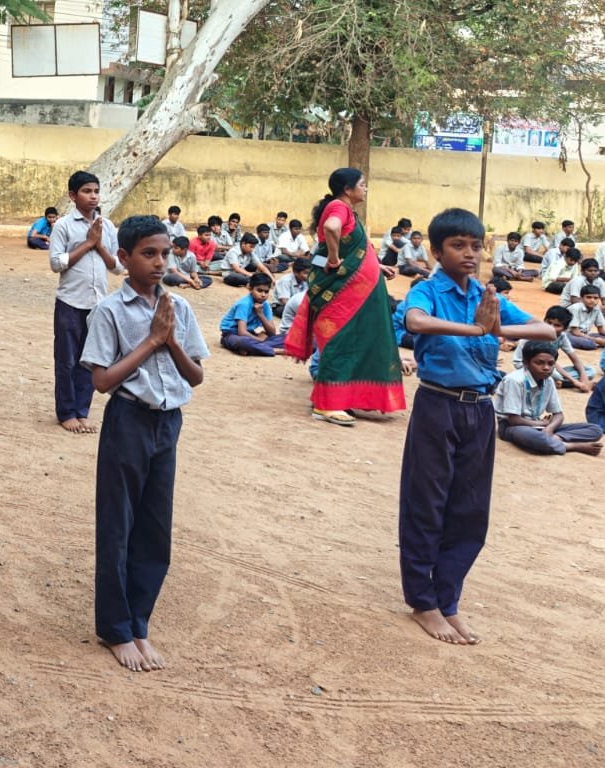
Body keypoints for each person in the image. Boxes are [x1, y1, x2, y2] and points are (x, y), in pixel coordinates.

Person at [399, 206, 550, 644]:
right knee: (426, 504)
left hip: (480, 410)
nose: (470, 254)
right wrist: (476, 331)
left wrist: (499, 326)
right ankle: (423, 602)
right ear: (436, 251)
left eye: (476, 246)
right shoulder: (429, 291)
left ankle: (448, 600)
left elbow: (544, 329)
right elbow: (415, 322)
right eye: (458, 245)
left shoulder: (487, 297)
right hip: (438, 405)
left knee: (469, 511)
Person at [82, 214, 209, 672]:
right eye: (148, 254)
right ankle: (116, 629)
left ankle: (139, 622)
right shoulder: (109, 312)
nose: (159, 263)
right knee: (118, 526)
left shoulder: (180, 309)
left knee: (156, 530)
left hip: (167, 423)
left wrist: (170, 340)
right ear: (124, 258)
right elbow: (101, 381)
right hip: (128, 421)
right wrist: (150, 342)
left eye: (165, 254)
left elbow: (195, 375)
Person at [283, 167, 407, 427]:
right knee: (340, 341)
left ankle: (344, 396)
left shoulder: (345, 210)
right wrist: (333, 258)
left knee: (356, 341)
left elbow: (357, 249)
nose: (366, 188)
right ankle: (326, 404)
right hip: (342, 293)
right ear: (348, 189)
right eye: (362, 184)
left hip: (356, 294)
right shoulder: (339, 208)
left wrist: (377, 266)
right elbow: (331, 228)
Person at [46, 170, 120, 434]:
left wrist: (99, 245)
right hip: (69, 302)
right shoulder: (63, 226)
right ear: (72, 195)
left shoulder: (107, 226)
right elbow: (56, 263)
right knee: (66, 359)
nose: (93, 196)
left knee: (90, 360)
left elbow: (117, 266)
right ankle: (66, 412)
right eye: (87, 191)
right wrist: (88, 244)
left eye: (96, 191)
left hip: (97, 305)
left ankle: (82, 410)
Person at [496, 342, 603, 456]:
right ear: (526, 363)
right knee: (533, 436)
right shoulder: (515, 380)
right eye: (539, 363)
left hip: (540, 426)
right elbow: (514, 420)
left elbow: (558, 415)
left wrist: (549, 429)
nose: (546, 368)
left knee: (595, 429)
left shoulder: (549, 381)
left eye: (551, 363)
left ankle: (554, 439)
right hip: (514, 427)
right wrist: (539, 423)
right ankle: (571, 446)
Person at [522, 306, 592, 391]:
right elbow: (551, 363)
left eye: (557, 325)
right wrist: (574, 381)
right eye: (549, 323)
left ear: (565, 328)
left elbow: (574, 358)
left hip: (547, 366)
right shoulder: (539, 334)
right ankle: (564, 383)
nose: (552, 327)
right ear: (544, 321)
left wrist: (584, 377)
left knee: (590, 370)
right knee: (555, 375)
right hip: (528, 366)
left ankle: (560, 382)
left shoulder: (562, 336)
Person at [219, 274, 284, 356]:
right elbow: (242, 332)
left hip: (251, 334)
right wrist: (260, 340)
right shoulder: (244, 304)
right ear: (250, 288)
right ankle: (275, 350)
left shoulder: (265, 305)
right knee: (243, 342)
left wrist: (260, 314)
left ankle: (253, 349)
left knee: (285, 338)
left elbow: (272, 332)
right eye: (259, 291)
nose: (263, 295)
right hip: (233, 334)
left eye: (266, 291)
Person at [565, 283, 605, 347]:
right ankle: (597, 343)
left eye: (595, 298)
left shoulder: (596, 308)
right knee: (589, 344)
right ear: (581, 298)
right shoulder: (575, 308)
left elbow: (601, 330)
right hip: (569, 334)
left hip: (585, 334)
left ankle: (598, 342)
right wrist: (598, 340)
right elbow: (575, 332)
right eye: (588, 297)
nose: (592, 300)